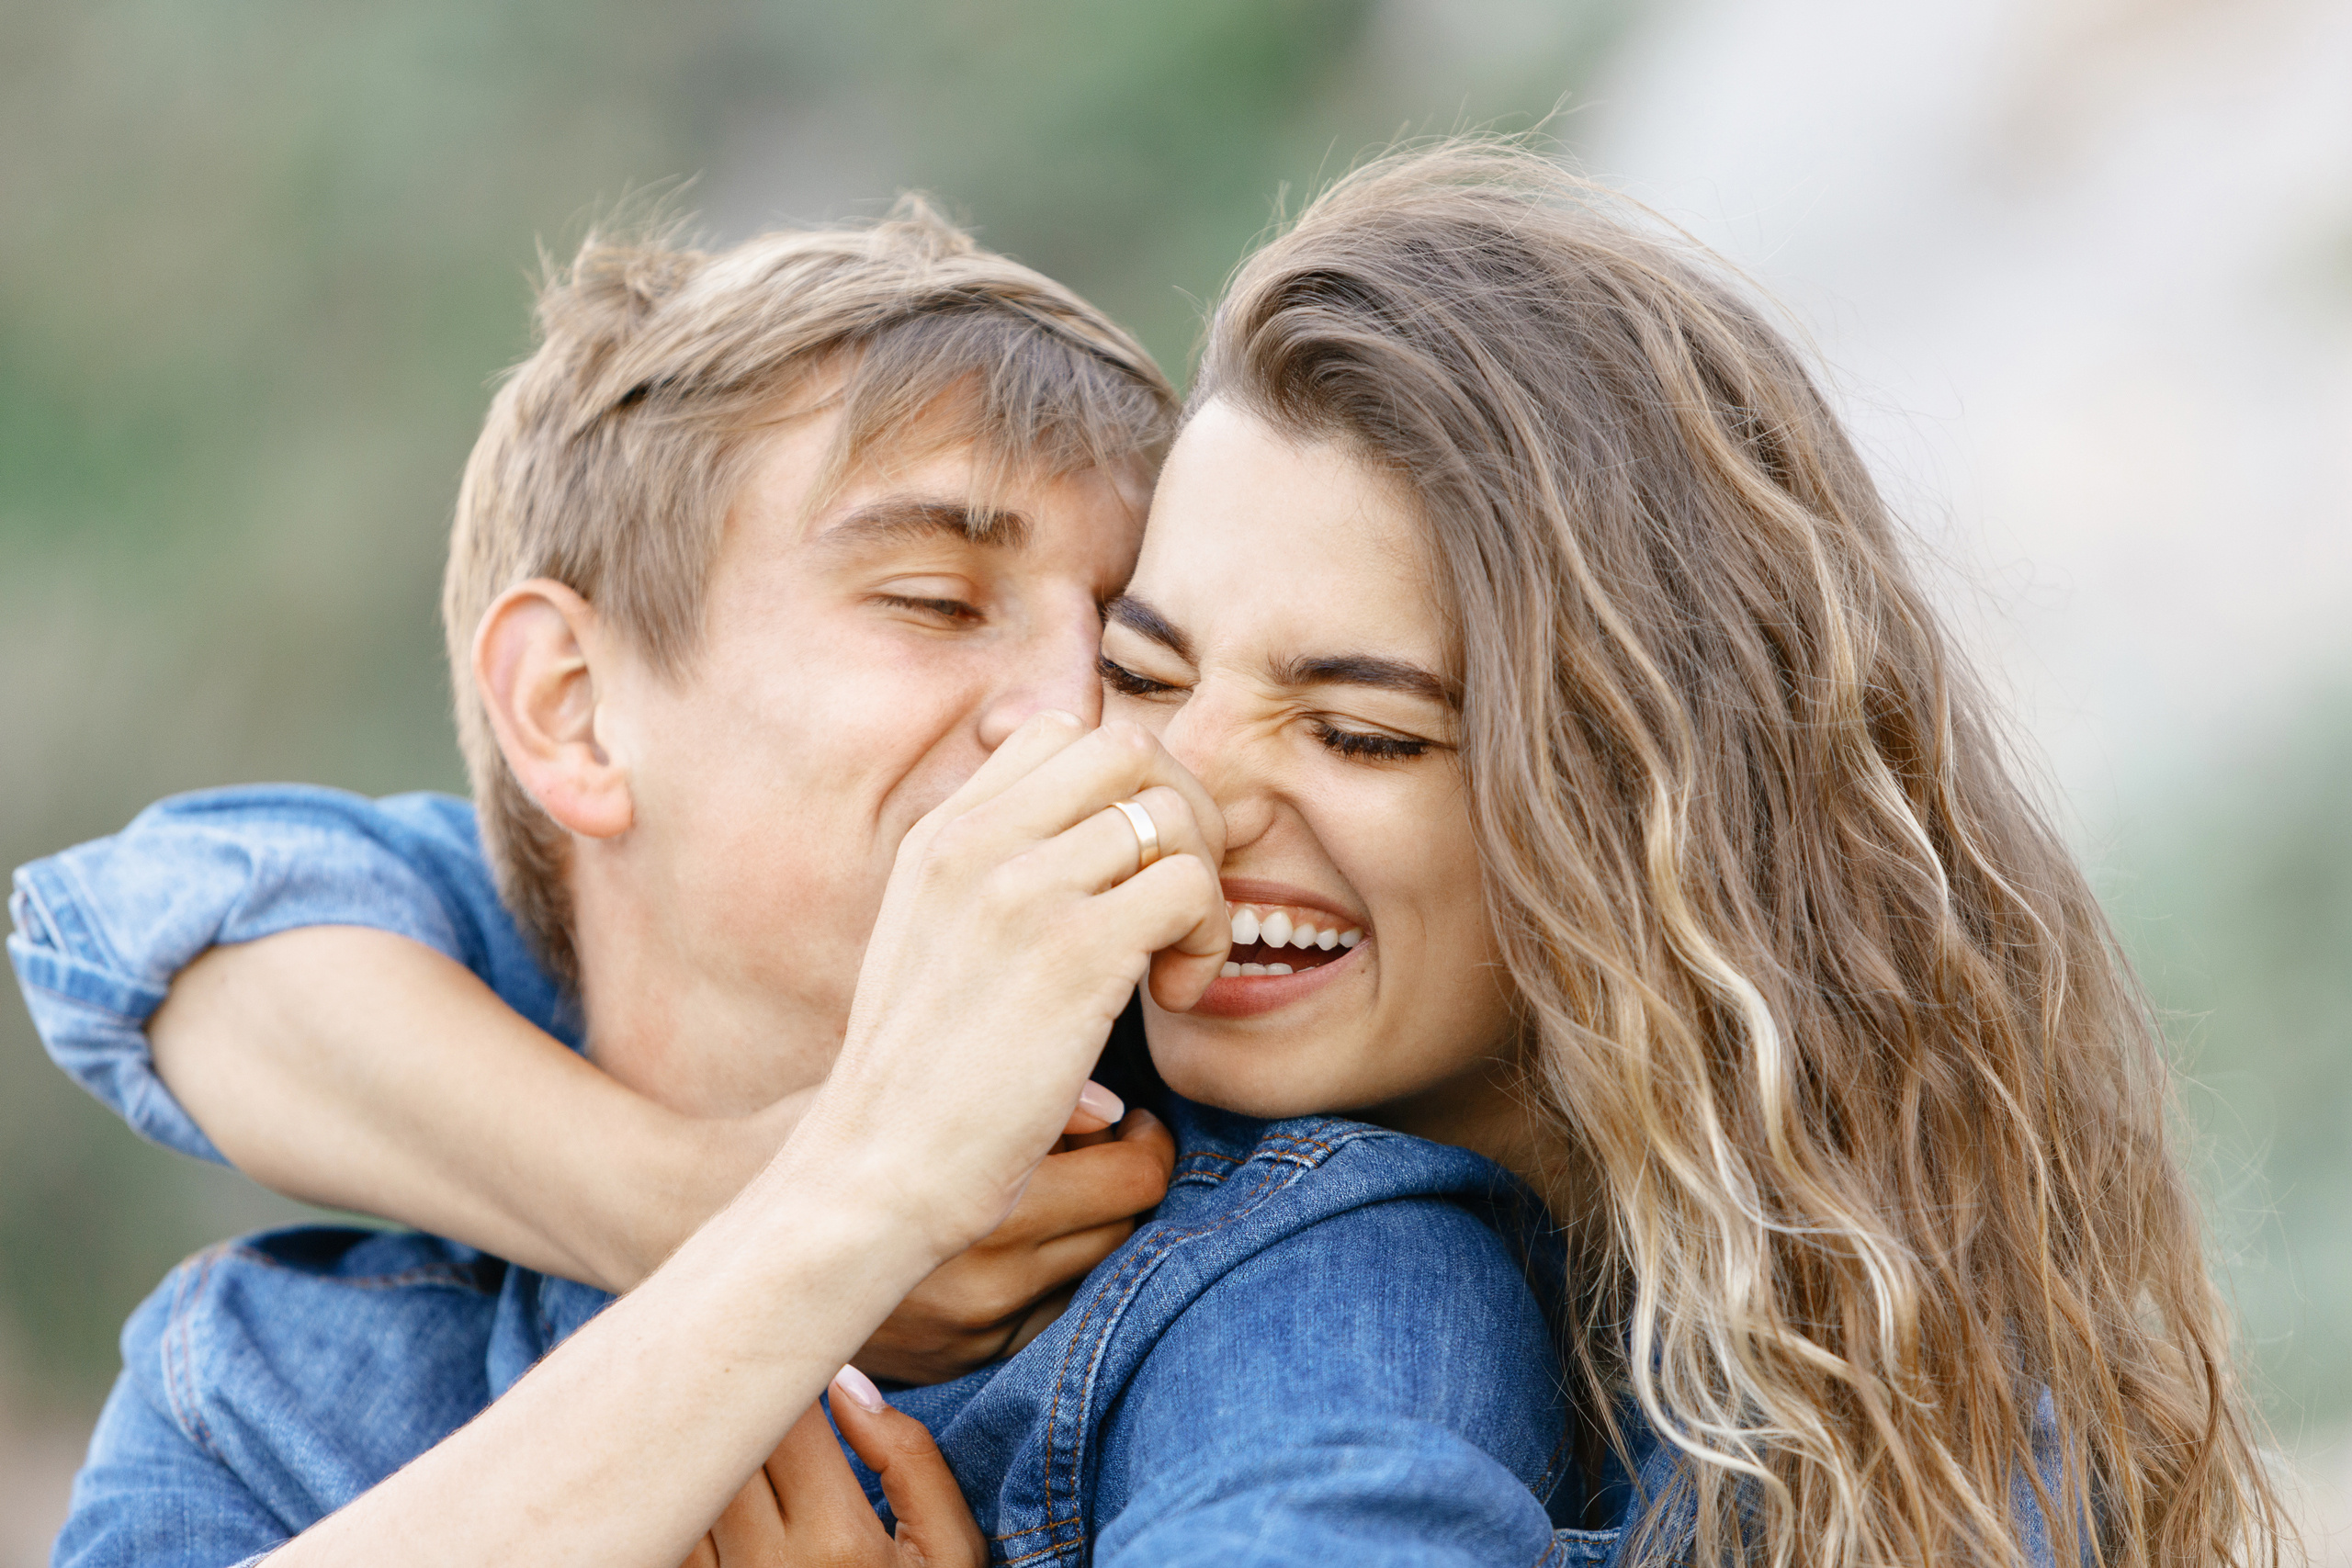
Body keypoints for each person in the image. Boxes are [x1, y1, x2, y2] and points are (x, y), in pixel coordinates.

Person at [13, 140, 2282, 1568]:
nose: (1140, 772)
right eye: (1153, 665)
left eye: (1361, 725)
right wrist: (748, 1204)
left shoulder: (1340, 1265)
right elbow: (166, 917)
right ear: (572, 708)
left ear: (1625, 805)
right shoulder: (297, 1334)